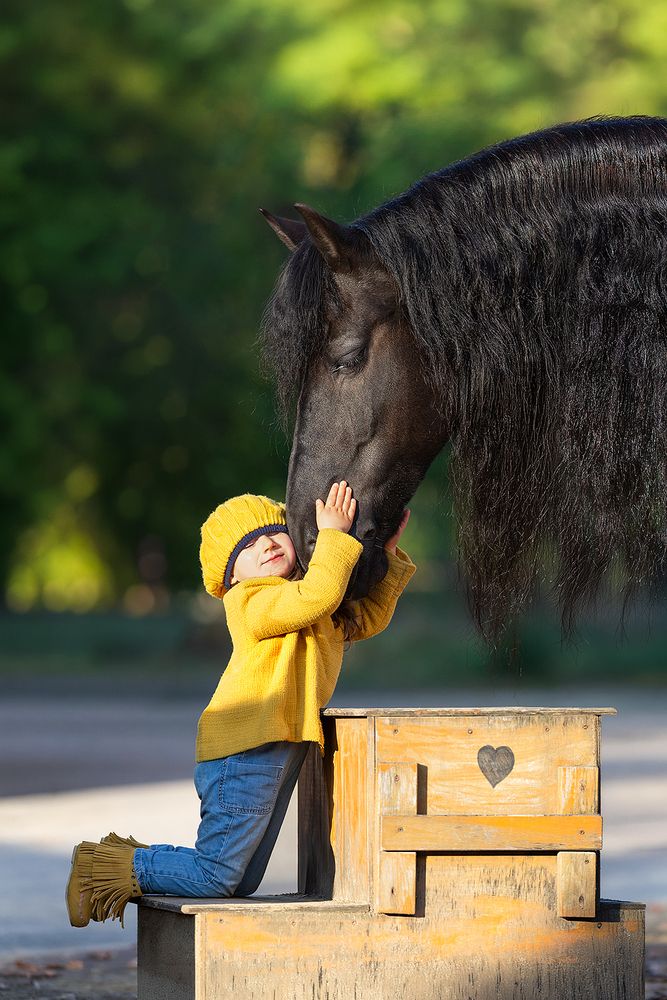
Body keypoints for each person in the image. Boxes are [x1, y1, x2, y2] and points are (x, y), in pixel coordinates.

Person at [66, 481, 414, 927]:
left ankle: (115, 860)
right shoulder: (250, 602)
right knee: (217, 875)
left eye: (272, 532)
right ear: (231, 577)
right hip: (243, 751)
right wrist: (334, 536)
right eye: (247, 547)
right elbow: (318, 595)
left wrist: (385, 553)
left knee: (240, 880)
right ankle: (101, 869)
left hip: (269, 750)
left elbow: (363, 618)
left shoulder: (302, 605)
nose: (266, 544)